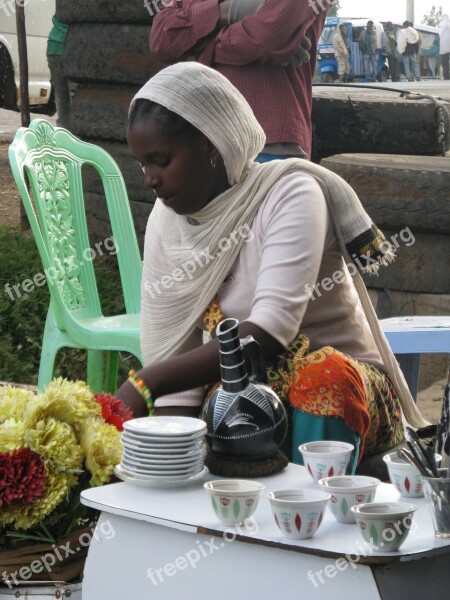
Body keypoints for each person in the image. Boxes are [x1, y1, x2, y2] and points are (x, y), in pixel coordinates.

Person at [115, 61, 427, 467]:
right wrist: (176, 459)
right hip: (247, 387)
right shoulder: (167, 222)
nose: (150, 179)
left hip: (350, 389)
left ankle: (316, 507)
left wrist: (147, 382)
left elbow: (269, 333)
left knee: (321, 377)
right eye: (143, 164)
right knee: (222, 408)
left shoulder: (290, 193)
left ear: (212, 145)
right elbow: (175, 358)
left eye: (161, 160)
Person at [149, 0, 331, 162]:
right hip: (201, 140)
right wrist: (228, 10)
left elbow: (267, 36)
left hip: (269, 144)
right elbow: (161, 40)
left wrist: (198, 45)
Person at [46, 14, 70, 128]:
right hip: (72, 48)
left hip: (54, 45)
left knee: (62, 103)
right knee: (77, 103)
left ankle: (62, 139)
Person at [439, 14, 450, 80]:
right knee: (445, 62)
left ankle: (446, 76)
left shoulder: (441, 26)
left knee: (445, 63)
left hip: (444, 47)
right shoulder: (448, 25)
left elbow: (440, 35)